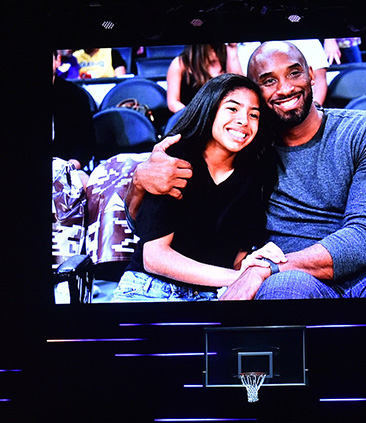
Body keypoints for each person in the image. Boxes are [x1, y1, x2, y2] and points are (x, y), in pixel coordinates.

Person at [129, 41, 366, 301]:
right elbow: (164, 224)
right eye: (268, 80)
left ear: (311, 75)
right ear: (254, 92)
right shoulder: (248, 147)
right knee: (283, 297)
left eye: (294, 73)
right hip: (292, 278)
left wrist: (263, 270)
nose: (284, 88)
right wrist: (140, 181)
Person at [112, 73, 283, 302]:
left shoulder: (255, 175)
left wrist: (253, 264)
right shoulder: (174, 161)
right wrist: (239, 276)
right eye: (232, 109)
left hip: (213, 293)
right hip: (148, 290)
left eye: (254, 114)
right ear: (210, 108)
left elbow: (236, 258)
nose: (244, 120)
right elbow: (154, 258)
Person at [166, 44, 244, 113]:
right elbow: (173, 102)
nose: (214, 54)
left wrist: (232, 49)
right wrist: (192, 117)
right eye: (212, 49)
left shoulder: (227, 61)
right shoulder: (181, 63)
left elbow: (241, 89)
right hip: (192, 119)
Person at [52, 50, 97, 165]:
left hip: (66, 164)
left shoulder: (75, 95)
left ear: (58, 61)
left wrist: (75, 163)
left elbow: (87, 141)